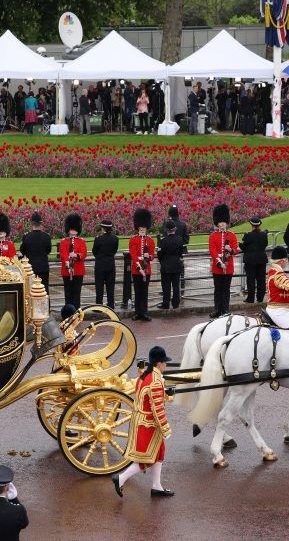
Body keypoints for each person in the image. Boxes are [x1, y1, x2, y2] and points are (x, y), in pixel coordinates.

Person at [112, 346, 174, 498]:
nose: (165, 365)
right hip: (149, 424)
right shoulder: (155, 381)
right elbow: (157, 408)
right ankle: (121, 478)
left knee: (159, 453)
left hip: (142, 421)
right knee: (145, 459)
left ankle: (156, 486)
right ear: (159, 364)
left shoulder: (144, 376)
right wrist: (165, 427)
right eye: (164, 363)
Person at [207, 204, 239, 318]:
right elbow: (212, 250)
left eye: (223, 222)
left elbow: (236, 250)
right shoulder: (213, 236)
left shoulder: (232, 236)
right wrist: (219, 262)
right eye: (220, 223)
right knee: (218, 290)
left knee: (226, 290)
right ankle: (217, 310)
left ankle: (225, 310)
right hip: (217, 267)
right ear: (217, 223)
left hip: (228, 266)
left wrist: (230, 250)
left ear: (227, 223)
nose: (221, 225)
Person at [129, 209, 155, 321]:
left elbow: (152, 255)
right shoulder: (133, 240)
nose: (142, 230)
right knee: (137, 291)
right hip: (136, 270)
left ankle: (144, 312)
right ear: (138, 228)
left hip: (147, 269)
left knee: (145, 292)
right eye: (141, 229)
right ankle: (137, 312)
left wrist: (148, 257)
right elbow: (133, 255)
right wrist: (139, 268)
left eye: (144, 229)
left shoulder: (150, 241)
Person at [58, 214, 87, 308]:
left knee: (76, 293)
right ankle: (69, 312)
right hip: (67, 271)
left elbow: (84, 253)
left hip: (78, 271)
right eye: (72, 229)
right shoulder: (64, 241)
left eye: (75, 229)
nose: (73, 231)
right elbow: (63, 254)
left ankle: (77, 312)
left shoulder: (81, 241)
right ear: (68, 230)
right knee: (68, 293)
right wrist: (68, 264)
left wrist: (76, 255)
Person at [19, 212, 52, 290]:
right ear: (41, 224)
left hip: (31, 268)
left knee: (31, 290)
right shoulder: (46, 236)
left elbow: (23, 251)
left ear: (32, 224)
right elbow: (48, 250)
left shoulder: (26, 236)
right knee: (44, 289)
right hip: (43, 267)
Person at [92, 219, 119, 309]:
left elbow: (94, 252)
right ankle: (111, 305)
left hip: (100, 265)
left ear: (103, 228)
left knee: (99, 286)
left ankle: (99, 305)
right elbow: (114, 251)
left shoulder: (98, 239)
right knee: (110, 286)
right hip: (110, 265)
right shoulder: (115, 239)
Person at [241, 217, 268, 304]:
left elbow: (243, 247)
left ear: (252, 225)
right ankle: (260, 298)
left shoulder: (248, 235)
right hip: (261, 260)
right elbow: (265, 245)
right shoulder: (264, 234)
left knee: (251, 279)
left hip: (250, 261)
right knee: (261, 279)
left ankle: (250, 298)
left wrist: (239, 244)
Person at [157, 220, 183, 310]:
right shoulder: (179, 239)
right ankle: (176, 303)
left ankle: (166, 303)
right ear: (174, 229)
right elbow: (180, 252)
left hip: (166, 266)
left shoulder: (163, 241)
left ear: (167, 230)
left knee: (166, 286)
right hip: (176, 265)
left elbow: (159, 254)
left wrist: (162, 262)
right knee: (176, 286)